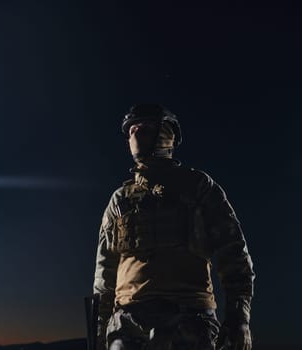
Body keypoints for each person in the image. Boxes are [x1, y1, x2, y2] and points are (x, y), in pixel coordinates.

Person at [93, 104, 255, 350]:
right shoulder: (120, 200)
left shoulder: (197, 186)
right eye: (131, 131)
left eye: (143, 128)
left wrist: (239, 318)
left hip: (188, 321)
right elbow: (105, 274)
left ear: (165, 134)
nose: (135, 136)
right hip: (128, 326)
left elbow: (233, 255)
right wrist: (99, 331)